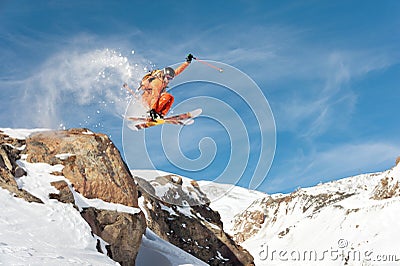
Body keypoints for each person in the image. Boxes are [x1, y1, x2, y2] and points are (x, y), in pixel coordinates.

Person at [139, 54, 194, 121]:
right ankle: (153, 113)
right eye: (168, 78)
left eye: (170, 79)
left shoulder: (164, 80)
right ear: (164, 75)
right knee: (165, 96)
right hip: (148, 100)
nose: (168, 80)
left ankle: (160, 114)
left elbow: (177, 71)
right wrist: (152, 110)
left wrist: (187, 62)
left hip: (153, 101)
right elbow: (155, 96)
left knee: (170, 98)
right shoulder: (157, 82)